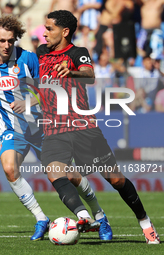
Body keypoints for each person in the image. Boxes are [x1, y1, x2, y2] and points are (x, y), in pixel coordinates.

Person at [0, 14, 111, 241]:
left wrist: (29, 101)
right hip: (13, 129)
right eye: (2, 41)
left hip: (42, 127)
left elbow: (47, 87)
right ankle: (41, 218)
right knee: (9, 168)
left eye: (11, 40)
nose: (7, 45)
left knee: (71, 176)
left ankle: (100, 215)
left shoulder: (29, 59)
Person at [36, 10, 160, 244]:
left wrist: (71, 71)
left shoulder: (77, 53)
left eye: (49, 29)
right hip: (54, 128)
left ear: (64, 32)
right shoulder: (40, 53)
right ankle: (85, 217)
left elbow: (89, 74)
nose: (44, 33)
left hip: (83, 128)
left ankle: (145, 222)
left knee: (115, 179)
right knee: (55, 172)